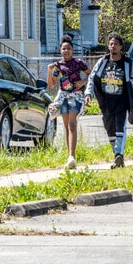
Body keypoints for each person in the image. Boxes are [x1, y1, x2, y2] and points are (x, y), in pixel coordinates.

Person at [85, 32, 133, 169]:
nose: (113, 47)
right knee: (110, 130)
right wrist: (88, 93)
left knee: (120, 128)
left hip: (122, 101)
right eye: (111, 44)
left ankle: (120, 154)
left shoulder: (128, 64)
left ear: (121, 47)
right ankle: (116, 157)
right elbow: (92, 78)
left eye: (116, 44)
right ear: (108, 46)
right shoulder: (103, 62)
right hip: (106, 102)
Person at [47, 35, 91, 170]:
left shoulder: (79, 63)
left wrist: (82, 82)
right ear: (60, 50)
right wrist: (50, 71)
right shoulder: (57, 66)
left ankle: (72, 156)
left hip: (76, 96)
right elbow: (51, 85)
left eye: (69, 49)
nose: (66, 51)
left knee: (72, 124)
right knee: (66, 127)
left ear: (72, 50)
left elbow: (92, 74)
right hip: (63, 98)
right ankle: (70, 157)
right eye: (64, 49)